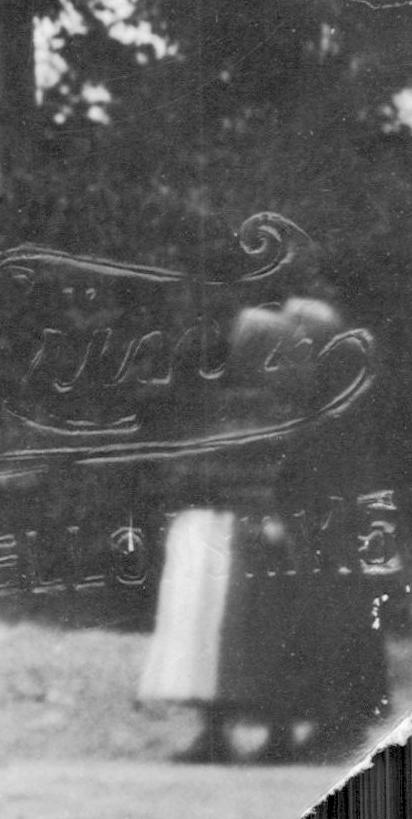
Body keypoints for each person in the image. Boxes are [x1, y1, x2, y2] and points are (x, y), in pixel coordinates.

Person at [142, 296, 393, 765]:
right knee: (234, 632)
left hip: (287, 529)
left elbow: (284, 473)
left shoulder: (315, 411)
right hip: (250, 525)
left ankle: (313, 727)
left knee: (278, 632)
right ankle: (232, 731)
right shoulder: (263, 403)